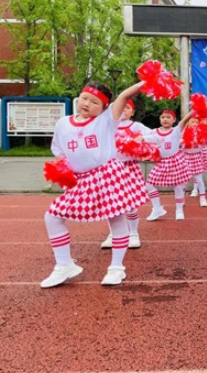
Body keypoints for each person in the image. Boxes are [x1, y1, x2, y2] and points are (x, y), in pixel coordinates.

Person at [41, 82, 148, 288]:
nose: (87, 104)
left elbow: (124, 95)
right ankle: (64, 265)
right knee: (52, 217)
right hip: (80, 181)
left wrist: (147, 81)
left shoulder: (106, 121)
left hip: (106, 175)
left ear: (105, 107)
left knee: (116, 219)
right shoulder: (63, 123)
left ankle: (117, 268)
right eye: (84, 98)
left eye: (95, 102)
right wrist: (64, 173)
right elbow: (60, 152)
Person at [101, 99, 151, 249]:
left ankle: (133, 233)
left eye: (127, 107)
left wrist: (142, 138)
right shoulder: (107, 126)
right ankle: (114, 233)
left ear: (133, 112)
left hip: (129, 168)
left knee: (131, 204)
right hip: (109, 169)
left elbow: (155, 136)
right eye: (121, 107)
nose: (123, 110)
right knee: (111, 204)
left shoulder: (136, 126)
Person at [145, 110, 193, 221]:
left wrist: (195, 109)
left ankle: (179, 210)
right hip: (162, 163)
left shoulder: (176, 131)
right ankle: (157, 209)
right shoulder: (154, 132)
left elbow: (185, 120)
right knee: (150, 184)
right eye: (162, 117)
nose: (165, 119)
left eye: (168, 117)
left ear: (174, 120)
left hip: (176, 161)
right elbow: (143, 139)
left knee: (179, 186)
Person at [183, 116, 207, 208]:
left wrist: (202, 141)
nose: (195, 124)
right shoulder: (182, 132)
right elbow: (178, 146)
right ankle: (181, 199)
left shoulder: (200, 133)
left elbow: (205, 145)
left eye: (196, 122)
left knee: (199, 179)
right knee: (183, 180)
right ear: (187, 123)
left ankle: (203, 198)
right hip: (186, 157)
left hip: (197, 156)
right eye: (192, 122)